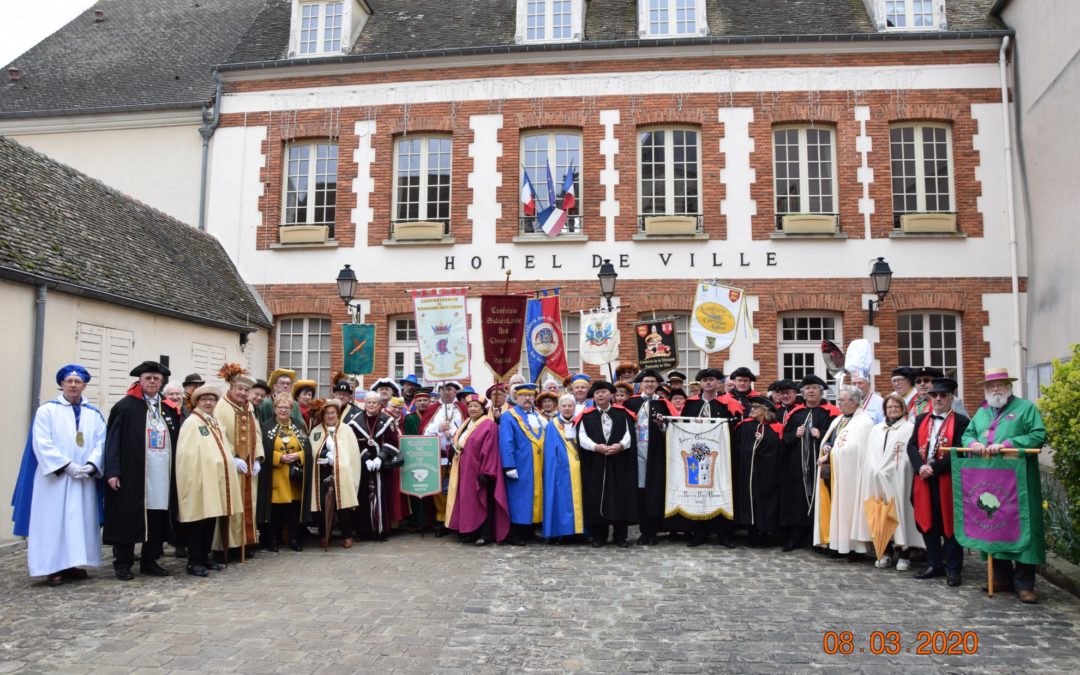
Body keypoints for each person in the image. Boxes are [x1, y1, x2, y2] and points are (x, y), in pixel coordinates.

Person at [962, 368, 1047, 603]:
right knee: (994, 525)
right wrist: (975, 443)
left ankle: (1024, 583)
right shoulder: (981, 412)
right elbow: (967, 436)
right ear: (986, 390)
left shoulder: (1025, 408)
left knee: (1022, 526)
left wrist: (1009, 443)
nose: (996, 389)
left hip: (1018, 481)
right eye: (991, 386)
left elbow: (1038, 434)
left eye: (1000, 384)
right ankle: (1001, 577)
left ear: (1009, 387)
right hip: (990, 481)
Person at [25, 365, 106, 586]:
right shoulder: (47, 411)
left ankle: (73, 562)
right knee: (53, 522)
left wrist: (91, 464)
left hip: (83, 478)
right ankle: (52, 567)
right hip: (55, 479)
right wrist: (66, 465)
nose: (73, 385)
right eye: (69, 381)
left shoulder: (93, 414)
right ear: (61, 384)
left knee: (79, 521)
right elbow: (42, 443)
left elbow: (101, 442)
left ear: (84, 385)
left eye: (77, 381)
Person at [104, 360, 182, 580]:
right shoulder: (125, 407)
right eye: (148, 378)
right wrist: (112, 471)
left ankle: (149, 560)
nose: (152, 382)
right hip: (133, 473)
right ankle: (123, 563)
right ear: (139, 380)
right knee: (127, 517)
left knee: (157, 517)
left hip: (162, 475)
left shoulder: (168, 408)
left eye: (156, 379)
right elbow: (112, 442)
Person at [908, 378, 970, 588]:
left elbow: (960, 452)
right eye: (935, 395)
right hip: (923, 478)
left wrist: (933, 468)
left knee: (949, 524)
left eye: (943, 395)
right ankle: (935, 564)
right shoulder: (921, 419)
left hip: (947, 479)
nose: (938, 399)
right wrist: (920, 467)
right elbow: (912, 446)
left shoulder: (961, 421)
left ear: (951, 397)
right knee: (928, 522)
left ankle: (953, 569)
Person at [175, 385, 242, 577]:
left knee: (210, 519)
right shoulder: (192, 423)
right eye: (204, 399)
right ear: (197, 402)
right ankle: (194, 561)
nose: (207, 403)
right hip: (199, 480)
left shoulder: (212, 422)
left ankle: (205, 556)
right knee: (197, 521)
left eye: (211, 400)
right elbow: (187, 454)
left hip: (214, 479)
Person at [854, 394, 919, 570]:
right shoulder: (877, 429)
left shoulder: (909, 428)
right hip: (876, 477)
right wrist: (875, 469)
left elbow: (907, 455)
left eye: (896, 407)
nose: (892, 410)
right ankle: (885, 550)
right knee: (879, 512)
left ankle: (904, 553)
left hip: (898, 477)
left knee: (898, 512)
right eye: (889, 407)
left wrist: (890, 469)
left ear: (903, 409)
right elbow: (870, 453)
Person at [680, 368, 743, 547]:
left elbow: (737, 428)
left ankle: (725, 534)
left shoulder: (728, 403)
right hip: (696, 455)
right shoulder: (690, 404)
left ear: (719, 383)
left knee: (722, 491)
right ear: (700, 383)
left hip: (722, 456)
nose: (708, 383)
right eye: (704, 380)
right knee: (699, 491)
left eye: (711, 380)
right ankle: (699, 532)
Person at [779, 374, 840, 551]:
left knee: (820, 498)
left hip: (820, 466)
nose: (811, 391)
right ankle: (795, 536)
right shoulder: (795, 414)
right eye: (807, 389)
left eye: (814, 388)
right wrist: (794, 435)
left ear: (821, 392)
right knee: (796, 500)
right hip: (796, 467)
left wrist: (821, 434)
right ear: (802, 394)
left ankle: (819, 537)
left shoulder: (831, 413)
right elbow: (784, 440)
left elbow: (838, 438)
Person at [814, 385, 874, 560]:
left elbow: (857, 448)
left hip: (852, 474)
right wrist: (828, 447)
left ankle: (856, 548)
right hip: (836, 470)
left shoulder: (864, 422)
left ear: (854, 402)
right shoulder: (839, 419)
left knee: (850, 509)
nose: (838, 403)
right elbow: (837, 441)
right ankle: (838, 544)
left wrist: (829, 454)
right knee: (836, 507)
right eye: (838, 399)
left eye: (842, 400)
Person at [575, 380, 638, 547]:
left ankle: (620, 537)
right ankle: (599, 536)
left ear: (611, 394)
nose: (600, 395)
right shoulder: (586, 416)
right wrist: (596, 447)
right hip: (596, 461)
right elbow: (582, 438)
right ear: (593, 397)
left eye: (603, 392)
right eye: (597, 393)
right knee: (596, 496)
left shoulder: (623, 413)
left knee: (620, 497)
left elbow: (629, 435)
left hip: (619, 462)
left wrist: (620, 446)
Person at [213, 364, 263, 560]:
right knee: (231, 505)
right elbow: (220, 435)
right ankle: (226, 546)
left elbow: (256, 433)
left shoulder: (249, 407)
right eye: (240, 389)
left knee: (249, 504)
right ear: (231, 388)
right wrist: (232, 458)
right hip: (231, 465)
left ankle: (244, 542)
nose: (243, 393)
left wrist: (258, 457)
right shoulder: (221, 407)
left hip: (250, 465)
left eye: (246, 390)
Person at [447, 393, 509, 546]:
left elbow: (491, 449)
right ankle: (469, 531)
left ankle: (485, 534)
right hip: (463, 470)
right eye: (470, 406)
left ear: (483, 409)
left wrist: (486, 472)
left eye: (476, 406)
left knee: (483, 501)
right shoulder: (466, 423)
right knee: (467, 502)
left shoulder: (489, 425)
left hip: (479, 471)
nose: (472, 409)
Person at [623, 369, 674, 546]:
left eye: (653, 381)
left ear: (657, 384)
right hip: (636, 452)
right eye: (646, 381)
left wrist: (662, 427)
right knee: (641, 491)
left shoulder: (664, 404)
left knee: (654, 491)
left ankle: (653, 532)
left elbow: (672, 431)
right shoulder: (631, 402)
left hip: (656, 453)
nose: (650, 384)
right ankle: (644, 531)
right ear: (641, 384)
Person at [309, 399, 362, 549]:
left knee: (342, 505)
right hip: (321, 472)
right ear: (323, 415)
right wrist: (323, 455)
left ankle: (347, 535)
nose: (330, 416)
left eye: (333, 413)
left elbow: (352, 455)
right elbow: (312, 451)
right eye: (327, 413)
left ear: (337, 414)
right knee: (323, 506)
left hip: (342, 473)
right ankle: (324, 535)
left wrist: (339, 461)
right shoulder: (316, 431)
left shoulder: (347, 430)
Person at [731, 395, 784, 547]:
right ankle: (751, 533)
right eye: (752, 407)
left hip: (767, 473)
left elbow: (779, 449)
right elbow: (737, 447)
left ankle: (765, 533)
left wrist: (764, 439)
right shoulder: (744, 426)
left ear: (765, 410)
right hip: (746, 472)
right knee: (748, 501)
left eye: (756, 407)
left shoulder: (775, 428)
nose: (752, 410)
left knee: (765, 502)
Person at [351, 394, 402, 542]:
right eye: (368, 402)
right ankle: (363, 531)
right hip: (363, 465)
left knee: (382, 498)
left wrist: (380, 457)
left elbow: (393, 441)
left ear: (380, 404)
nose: (371, 405)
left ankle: (381, 530)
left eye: (374, 402)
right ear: (364, 404)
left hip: (382, 467)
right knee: (363, 498)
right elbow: (353, 443)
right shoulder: (356, 421)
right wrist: (366, 458)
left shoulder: (387, 420)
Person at [499, 382, 545, 545]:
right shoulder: (509, 416)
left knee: (534, 496)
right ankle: (515, 534)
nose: (527, 398)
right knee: (519, 498)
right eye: (523, 396)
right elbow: (506, 441)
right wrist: (509, 465)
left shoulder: (538, 416)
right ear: (516, 398)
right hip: (520, 464)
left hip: (537, 464)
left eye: (530, 396)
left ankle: (529, 530)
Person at [264, 393, 310, 552]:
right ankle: (273, 540)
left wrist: (298, 455)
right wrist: (280, 458)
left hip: (293, 478)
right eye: (280, 407)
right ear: (274, 408)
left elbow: (308, 449)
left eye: (287, 407)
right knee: (275, 511)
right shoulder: (267, 426)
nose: (283, 410)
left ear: (291, 409)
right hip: (276, 477)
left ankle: (294, 539)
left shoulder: (298, 425)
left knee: (293, 511)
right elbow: (263, 451)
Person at [542, 394, 585, 542]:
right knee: (562, 502)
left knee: (581, 501)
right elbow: (549, 452)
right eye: (564, 406)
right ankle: (564, 532)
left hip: (580, 468)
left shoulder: (581, 422)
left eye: (570, 405)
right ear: (559, 407)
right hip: (561, 470)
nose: (567, 409)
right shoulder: (552, 425)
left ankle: (581, 532)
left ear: (574, 407)